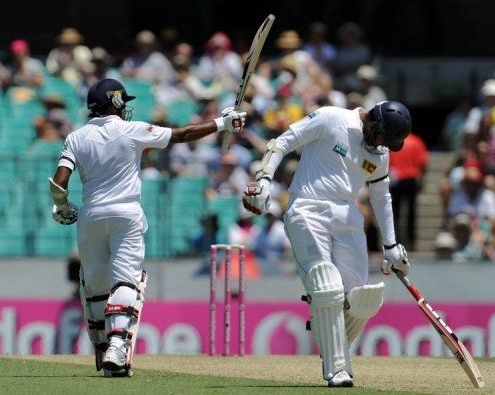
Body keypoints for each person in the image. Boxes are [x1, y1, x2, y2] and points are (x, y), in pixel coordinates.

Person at [48, 78, 246, 377]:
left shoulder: (75, 137)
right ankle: (117, 345)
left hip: (90, 217)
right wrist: (222, 123)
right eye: (122, 102)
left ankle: (103, 347)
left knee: (97, 288)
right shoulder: (132, 130)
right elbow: (182, 134)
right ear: (114, 102)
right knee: (126, 282)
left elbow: (58, 183)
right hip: (126, 213)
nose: (126, 107)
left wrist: (63, 207)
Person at [242, 101, 411, 387]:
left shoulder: (380, 154)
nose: (383, 146)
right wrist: (265, 180)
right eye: (383, 137)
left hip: (348, 214)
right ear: (373, 124)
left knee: (363, 299)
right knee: (327, 287)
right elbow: (281, 142)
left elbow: (381, 197)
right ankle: (337, 370)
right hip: (308, 208)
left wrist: (392, 245)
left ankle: (331, 340)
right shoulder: (332, 118)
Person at [389, 132, 429, 250]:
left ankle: (396, 240)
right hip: (411, 179)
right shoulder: (417, 141)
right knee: (411, 211)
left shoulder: (393, 141)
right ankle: (411, 240)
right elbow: (423, 163)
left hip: (396, 180)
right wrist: (422, 180)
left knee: (395, 212)